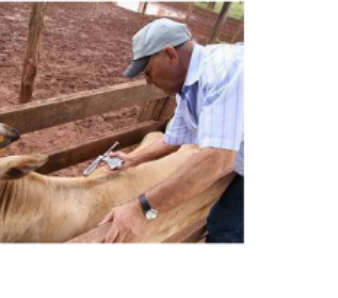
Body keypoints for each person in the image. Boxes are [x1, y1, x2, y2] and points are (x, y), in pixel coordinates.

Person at [98, 18, 244, 243]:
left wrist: (140, 209)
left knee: (227, 233)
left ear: (170, 55)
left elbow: (218, 158)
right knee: (220, 223)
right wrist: (132, 158)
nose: (148, 82)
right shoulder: (187, 91)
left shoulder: (225, 70)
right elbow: (172, 140)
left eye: (148, 72)